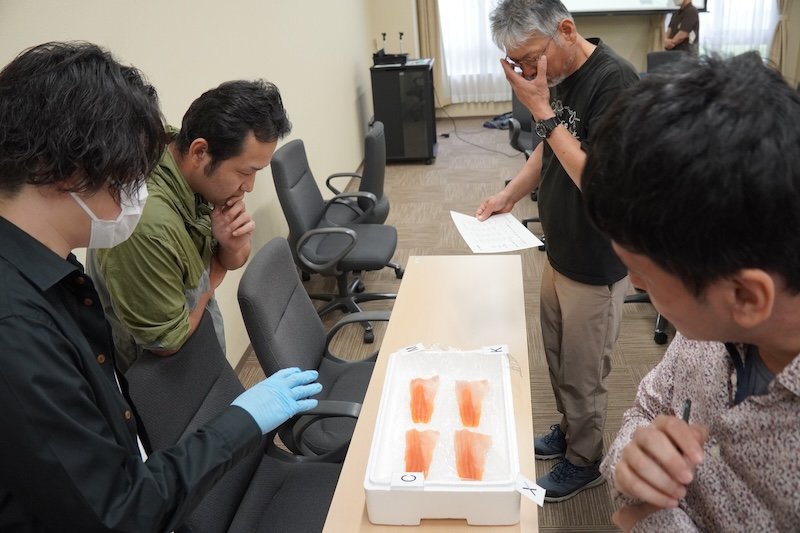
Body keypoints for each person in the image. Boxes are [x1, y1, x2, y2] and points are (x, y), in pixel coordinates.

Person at [0, 41, 322, 531]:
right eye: (129, 174)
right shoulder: (17, 328)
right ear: (63, 171)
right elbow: (121, 511)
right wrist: (241, 420)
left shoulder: (50, 268)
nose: (138, 191)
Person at [583, 52, 800, 531]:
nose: (634, 284)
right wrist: (631, 461)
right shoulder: (709, 331)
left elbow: (632, 516)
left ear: (745, 297)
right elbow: (647, 410)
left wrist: (644, 519)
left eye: (642, 273)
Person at [476, 0, 639, 502]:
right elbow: (549, 147)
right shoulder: (561, 73)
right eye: (517, 62)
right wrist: (510, 194)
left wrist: (541, 110)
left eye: (530, 58)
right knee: (558, 355)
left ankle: (585, 461)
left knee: (585, 372)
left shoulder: (615, 83)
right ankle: (569, 431)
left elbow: (598, 181)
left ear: (566, 30)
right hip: (560, 246)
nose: (527, 71)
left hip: (596, 257)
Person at [88, 79, 291, 372]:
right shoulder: (146, 225)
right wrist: (215, 274)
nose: (248, 186)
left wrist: (230, 246)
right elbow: (166, 342)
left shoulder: (185, 159)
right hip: (163, 377)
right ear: (199, 152)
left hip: (199, 346)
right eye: (245, 172)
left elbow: (235, 256)